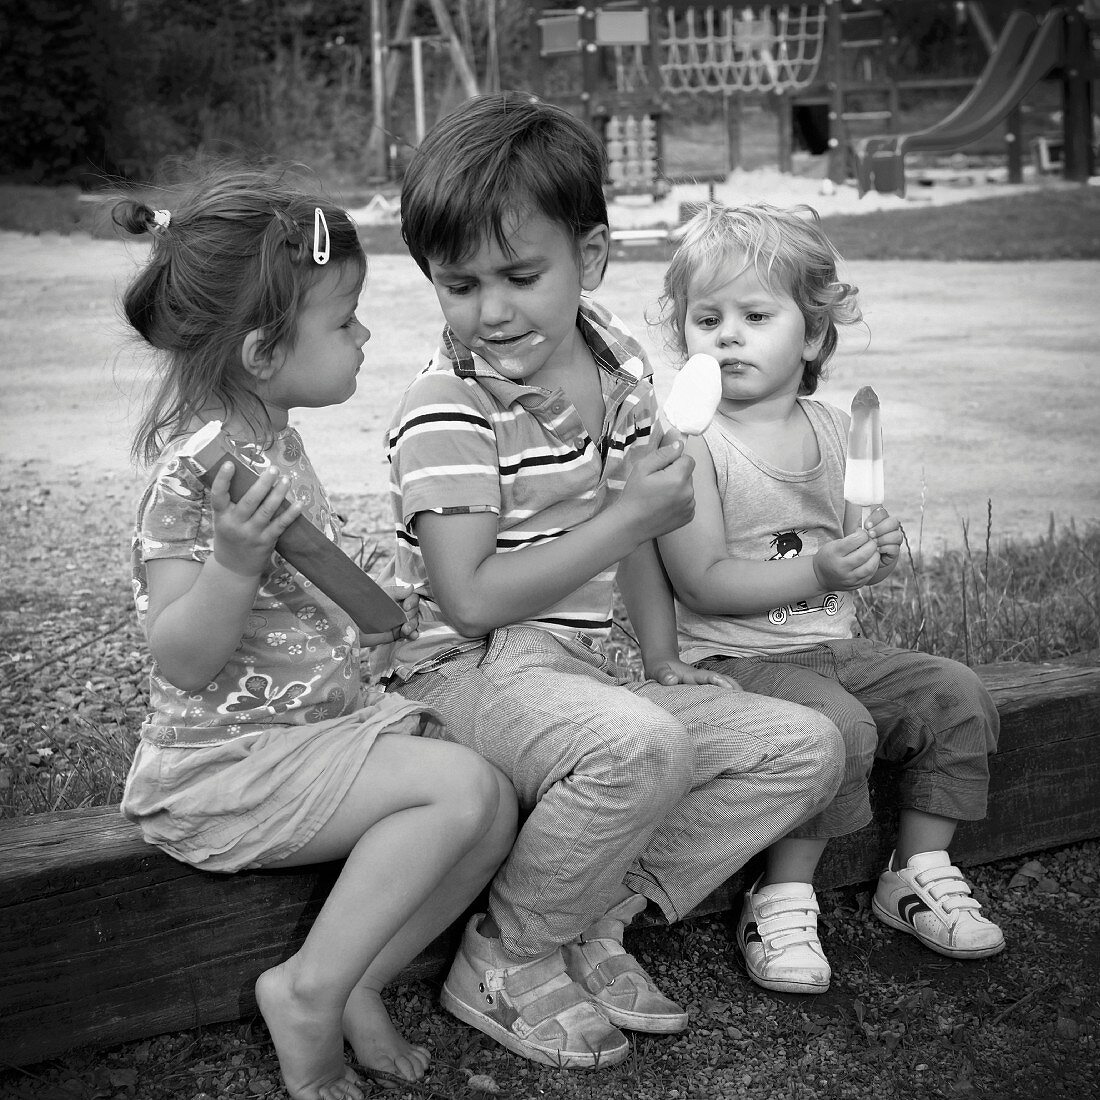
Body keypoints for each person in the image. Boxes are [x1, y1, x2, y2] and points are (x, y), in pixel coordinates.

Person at [377, 92, 846, 1070]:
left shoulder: (617, 365)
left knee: (802, 745)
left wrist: (663, 656)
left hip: (575, 664)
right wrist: (624, 516)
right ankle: (503, 953)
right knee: (638, 744)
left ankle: (589, 915)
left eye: (519, 275)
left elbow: (635, 527)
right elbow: (467, 599)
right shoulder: (448, 406)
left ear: (588, 260)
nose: (490, 310)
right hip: (465, 668)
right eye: (458, 284)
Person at [114, 168, 518, 1100]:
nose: (366, 335)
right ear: (261, 351)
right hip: (223, 764)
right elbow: (182, 654)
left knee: (492, 804)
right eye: (345, 321)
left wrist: (362, 611)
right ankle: (304, 991)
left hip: (312, 731)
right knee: (456, 789)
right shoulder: (198, 479)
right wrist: (233, 565)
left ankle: (357, 982)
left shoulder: (273, 442)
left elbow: (295, 601)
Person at [654, 201, 1005, 999]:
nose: (727, 335)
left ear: (811, 336)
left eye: (754, 314)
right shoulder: (694, 446)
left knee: (956, 695)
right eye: (706, 318)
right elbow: (701, 579)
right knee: (833, 728)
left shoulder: (836, 428)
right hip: (735, 660)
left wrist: (873, 552)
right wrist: (821, 573)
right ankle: (779, 897)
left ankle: (917, 870)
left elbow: (854, 546)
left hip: (836, 646)